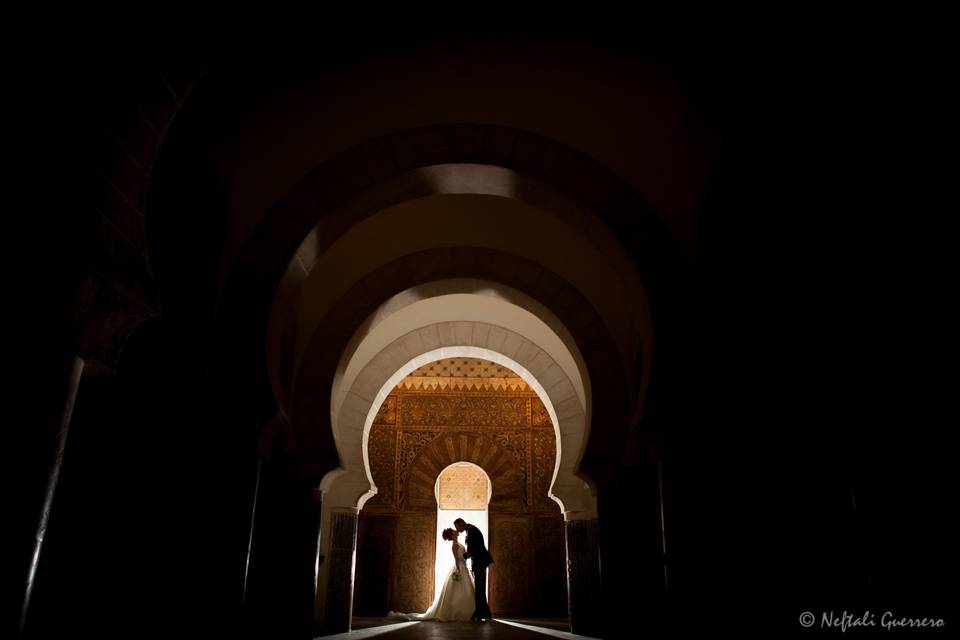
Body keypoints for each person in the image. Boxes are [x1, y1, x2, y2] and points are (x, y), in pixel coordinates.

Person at [387, 528, 475, 621]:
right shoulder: (454, 545)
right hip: (460, 568)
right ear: (452, 535)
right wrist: (458, 571)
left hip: (464, 567)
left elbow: (465, 556)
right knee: (459, 590)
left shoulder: (459, 544)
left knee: (466, 590)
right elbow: (457, 560)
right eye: (454, 530)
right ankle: (456, 613)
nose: (456, 530)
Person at [454, 517, 493, 620]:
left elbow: (473, 549)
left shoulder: (471, 531)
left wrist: (463, 556)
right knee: (480, 587)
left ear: (461, 524)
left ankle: (480, 613)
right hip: (480, 562)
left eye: (457, 527)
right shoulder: (471, 530)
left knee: (480, 588)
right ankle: (484, 613)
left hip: (480, 562)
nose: (457, 530)